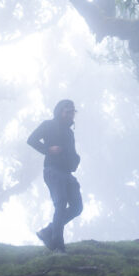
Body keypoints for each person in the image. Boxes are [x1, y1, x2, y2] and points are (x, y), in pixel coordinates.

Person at [27, 99, 83, 253]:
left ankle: (47, 231)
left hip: (67, 173)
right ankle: (57, 245)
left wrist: (76, 159)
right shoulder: (48, 125)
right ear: (60, 111)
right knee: (61, 204)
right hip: (53, 170)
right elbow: (31, 140)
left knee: (77, 207)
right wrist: (48, 149)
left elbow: (72, 152)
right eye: (68, 111)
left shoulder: (70, 133)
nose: (71, 114)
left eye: (73, 111)